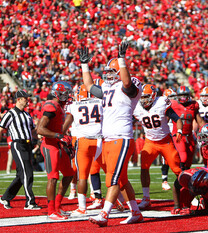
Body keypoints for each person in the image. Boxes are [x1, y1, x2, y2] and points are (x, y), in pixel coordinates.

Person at [78, 41, 143, 226]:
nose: (107, 75)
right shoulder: (107, 88)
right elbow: (89, 86)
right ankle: (136, 212)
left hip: (121, 138)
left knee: (113, 177)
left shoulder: (129, 86)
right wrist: (85, 65)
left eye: (111, 72)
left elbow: (128, 83)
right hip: (107, 139)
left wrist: (122, 60)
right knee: (121, 179)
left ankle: (104, 215)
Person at [133, 84, 183, 210]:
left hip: (165, 141)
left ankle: (187, 194)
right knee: (143, 168)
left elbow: (177, 119)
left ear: (153, 96)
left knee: (178, 170)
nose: (144, 100)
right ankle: (146, 198)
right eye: (142, 97)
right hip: (150, 142)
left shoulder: (161, 102)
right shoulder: (137, 107)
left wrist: (180, 130)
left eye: (146, 97)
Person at [0, 90, 41, 210]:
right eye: (25, 98)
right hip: (18, 144)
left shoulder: (27, 114)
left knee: (21, 175)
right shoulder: (11, 113)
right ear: (19, 99)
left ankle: (5, 197)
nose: (27, 100)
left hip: (28, 145)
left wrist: (41, 136)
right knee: (27, 173)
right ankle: (30, 202)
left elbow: (33, 131)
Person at [62, 84, 105, 215]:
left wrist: (59, 134)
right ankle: (119, 200)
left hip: (83, 141)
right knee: (111, 173)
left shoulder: (73, 106)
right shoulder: (101, 102)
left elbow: (66, 122)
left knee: (82, 176)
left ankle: (82, 207)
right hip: (100, 140)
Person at [36, 81, 75, 220]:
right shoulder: (51, 105)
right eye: (65, 93)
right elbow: (40, 129)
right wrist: (59, 136)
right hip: (49, 145)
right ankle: (51, 210)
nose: (68, 96)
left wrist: (63, 139)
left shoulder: (59, 106)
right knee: (53, 178)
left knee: (69, 174)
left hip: (58, 144)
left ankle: (57, 206)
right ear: (58, 93)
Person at [171, 86, 205, 170]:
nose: (182, 97)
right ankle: (179, 180)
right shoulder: (173, 105)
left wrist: (206, 130)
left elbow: (199, 121)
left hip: (189, 136)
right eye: (180, 95)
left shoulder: (193, 105)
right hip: (178, 135)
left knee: (189, 161)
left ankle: (184, 180)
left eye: (184, 95)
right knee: (183, 157)